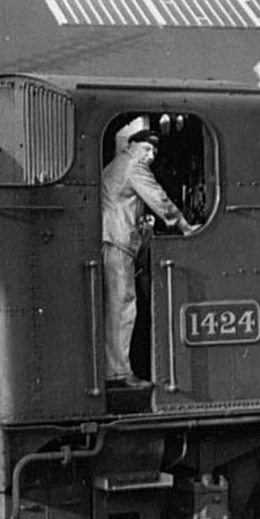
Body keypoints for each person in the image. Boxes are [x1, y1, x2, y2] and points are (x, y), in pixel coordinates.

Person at [101, 128, 197, 389]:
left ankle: (117, 369)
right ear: (132, 146)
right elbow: (159, 198)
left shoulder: (118, 164)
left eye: (154, 151)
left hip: (114, 238)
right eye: (147, 149)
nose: (151, 155)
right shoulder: (134, 166)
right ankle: (118, 373)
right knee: (123, 306)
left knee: (119, 305)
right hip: (119, 240)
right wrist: (185, 226)